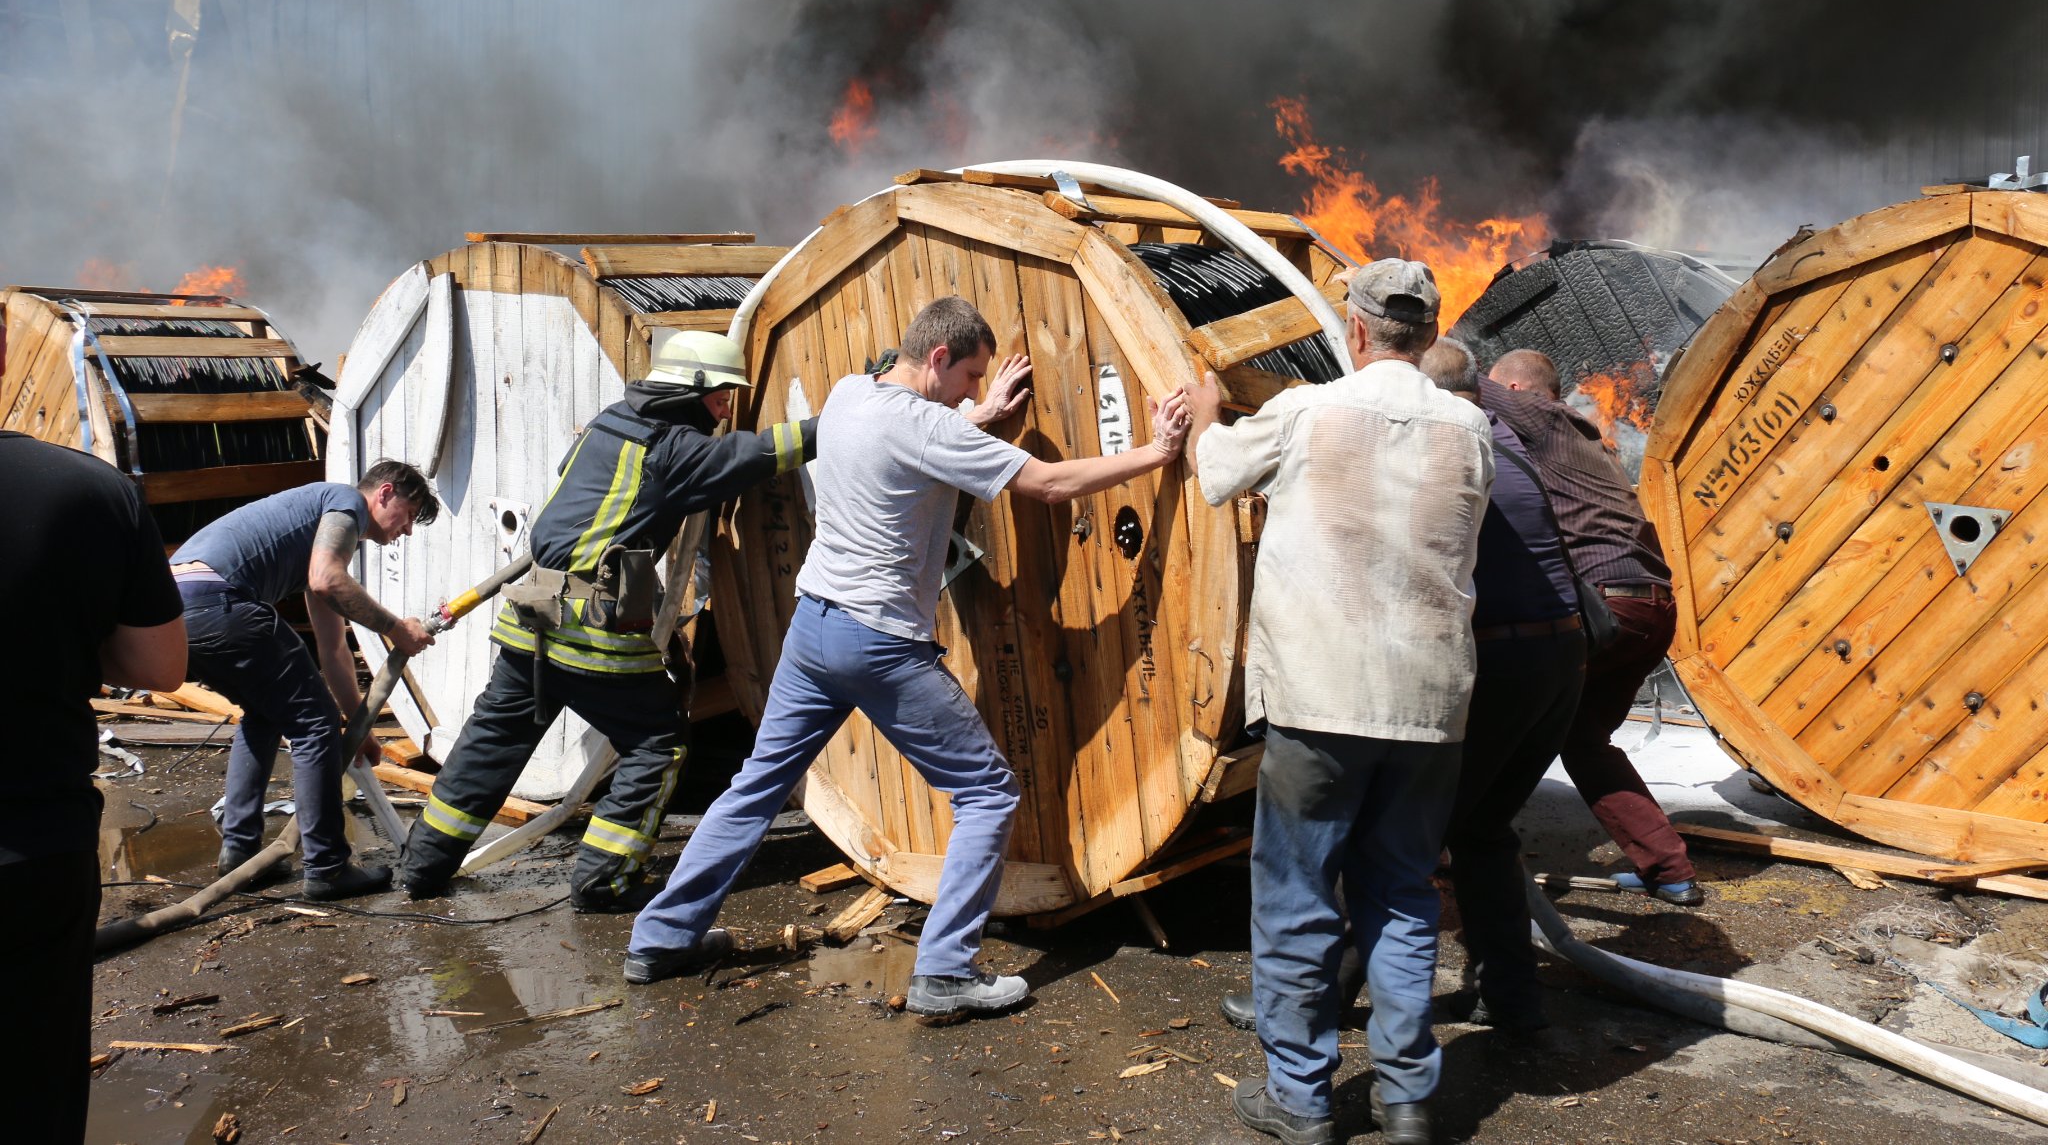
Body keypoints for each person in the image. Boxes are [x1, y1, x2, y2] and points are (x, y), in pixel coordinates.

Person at [627, 296, 1189, 1015]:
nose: (976, 392)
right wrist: (1157, 452)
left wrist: (978, 423)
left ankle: (661, 936)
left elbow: (910, 442)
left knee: (757, 784)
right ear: (939, 359)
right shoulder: (928, 423)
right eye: (971, 377)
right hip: (879, 643)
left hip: (814, 627)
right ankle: (947, 970)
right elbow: (1047, 485)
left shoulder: (848, 394)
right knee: (988, 792)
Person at [1188, 260, 1493, 1145]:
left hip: (1322, 698)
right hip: (1432, 703)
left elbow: (1214, 473)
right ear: (1430, 334)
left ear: (1356, 331)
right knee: (1402, 893)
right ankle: (1405, 1100)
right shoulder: (1471, 429)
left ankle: (1302, 1097)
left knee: (1296, 894)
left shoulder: (1307, 410)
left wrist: (1207, 414)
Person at [401, 331, 825, 912]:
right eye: (722, 395)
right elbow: (759, 454)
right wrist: (851, 413)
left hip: (533, 619)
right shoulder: (675, 449)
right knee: (658, 744)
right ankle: (604, 882)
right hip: (592, 633)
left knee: (491, 744)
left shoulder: (608, 422)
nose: (728, 407)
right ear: (690, 391)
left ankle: (421, 870)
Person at [0, 318, 187, 1143]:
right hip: (30, 849)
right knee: (31, 1088)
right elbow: (160, 666)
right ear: (2, 348)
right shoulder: (86, 491)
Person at [1481, 348, 1699, 905]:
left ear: (1518, 389)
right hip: (1650, 608)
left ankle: (1458, 846)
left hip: (1607, 608)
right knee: (1583, 738)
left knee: (1489, 706)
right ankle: (1667, 868)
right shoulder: (1585, 444)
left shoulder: (1541, 417)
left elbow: (1461, 384)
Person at [175, 460, 439, 900]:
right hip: (217, 598)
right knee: (314, 723)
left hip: (177, 610)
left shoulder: (315, 536)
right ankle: (329, 867)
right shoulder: (345, 502)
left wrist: (359, 727)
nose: (406, 531)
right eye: (408, 516)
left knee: (265, 713)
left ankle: (239, 852)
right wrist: (397, 629)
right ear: (385, 493)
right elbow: (326, 580)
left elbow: (333, 651)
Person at [1420, 338, 1584, 1032]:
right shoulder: (1506, 442)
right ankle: (1512, 998)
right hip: (1562, 661)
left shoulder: (1447, 449)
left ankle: (1320, 998)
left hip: (1509, 664)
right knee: (1483, 829)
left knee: (1406, 833)